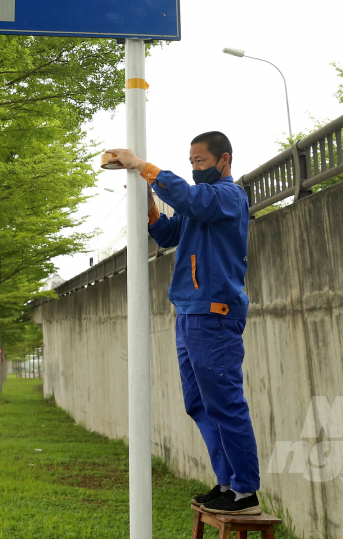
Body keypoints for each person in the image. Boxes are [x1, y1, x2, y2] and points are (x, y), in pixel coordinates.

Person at [107, 132, 261, 516]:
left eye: (201, 162)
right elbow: (165, 232)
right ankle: (227, 483)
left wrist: (143, 166)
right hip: (189, 313)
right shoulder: (199, 207)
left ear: (224, 160)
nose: (195, 169)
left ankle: (246, 493)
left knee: (225, 403)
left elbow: (194, 200)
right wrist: (145, 197)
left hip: (214, 315)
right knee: (199, 404)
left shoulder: (228, 197)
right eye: (191, 162)